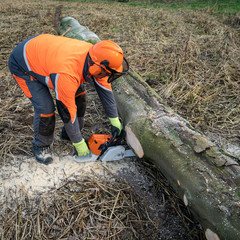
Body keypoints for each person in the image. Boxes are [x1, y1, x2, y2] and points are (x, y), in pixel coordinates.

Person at [8, 34, 129, 165]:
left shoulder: (96, 56)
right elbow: (66, 111)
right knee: (45, 108)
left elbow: (105, 89)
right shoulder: (67, 74)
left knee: (80, 95)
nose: (107, 76)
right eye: (107, 73)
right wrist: (78, 142)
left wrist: (114, 120)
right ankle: (41, 146)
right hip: (22, 63)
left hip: (45, 54)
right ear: (95, 68)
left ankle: (68, 134)